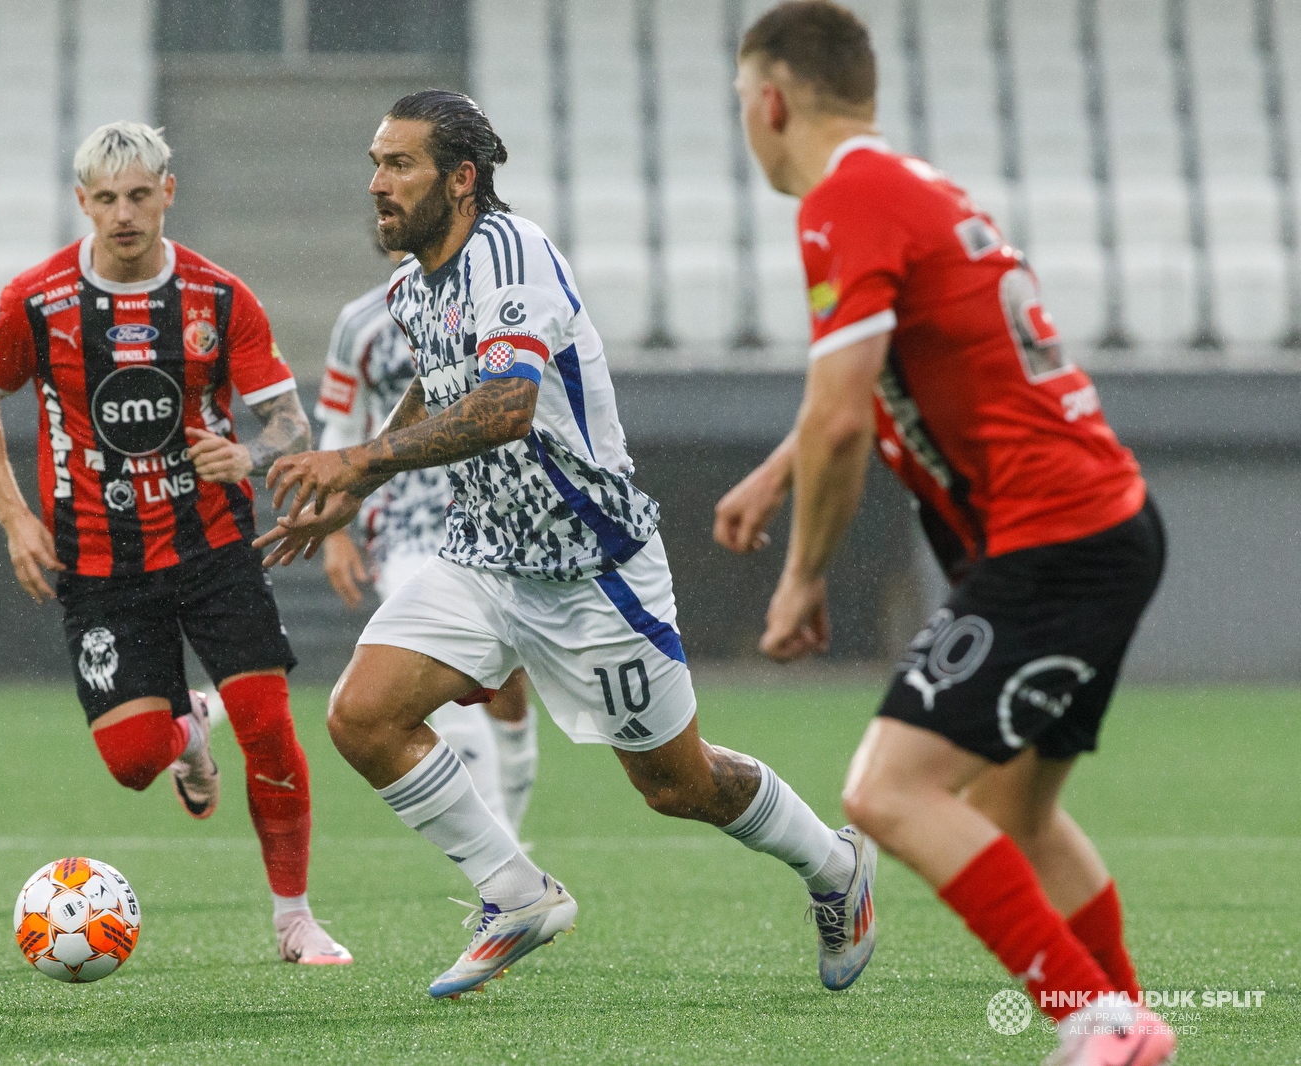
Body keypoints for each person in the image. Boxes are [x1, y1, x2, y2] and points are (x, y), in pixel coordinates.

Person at [255, 90, 877, 1000]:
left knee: (676, 784)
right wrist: (362, 482)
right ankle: (513, 893)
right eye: (375, 167)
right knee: (361, 716)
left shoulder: (515, 254)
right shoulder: (410, 285)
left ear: (461, 181)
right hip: (484, 559)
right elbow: (438, 385)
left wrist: (355, 455)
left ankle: (833, 867)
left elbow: (505, 406)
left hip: (594, 569)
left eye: (399, 166)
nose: (378, 186)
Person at [715, 5, 1173, 1063]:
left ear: (772, 101)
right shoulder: (918, 187)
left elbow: (841, 415)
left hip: (1051, 543)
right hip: (1106, 524)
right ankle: (1126, 1027)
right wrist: (782, 470)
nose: (748, 122)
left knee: (886, 790)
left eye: (745, 103)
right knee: (1017, 809)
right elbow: (894, 378)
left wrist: (800, 578)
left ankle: (1097, 1020)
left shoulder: (844, 202)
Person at [0, 121, 350, 966]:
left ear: (169, 191)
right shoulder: (37, 299)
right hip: (98, 563)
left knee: (270, 729)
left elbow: (288, 420)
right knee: (134, 760)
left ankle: (294, 921)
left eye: (140, 195)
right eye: (107, 199)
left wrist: (251, 453)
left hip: (211, 545)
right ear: (82, 203)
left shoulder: (218, 296)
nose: (124, 214)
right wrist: (15, 518)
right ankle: (187, 726)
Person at [315, 247, 539, 840]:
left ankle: (508, 830)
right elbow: (341, 427)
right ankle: (507, 857)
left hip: (489, 512)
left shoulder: (485, 304)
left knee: (507, 696)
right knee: (440, 688)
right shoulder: (359, 325)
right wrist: (337, 531)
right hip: (405, 525)